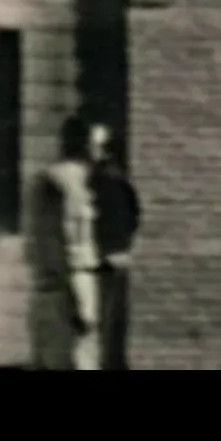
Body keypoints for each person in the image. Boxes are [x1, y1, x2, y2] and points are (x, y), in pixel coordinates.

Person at [41, 115, 101, 370]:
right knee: (82, 341)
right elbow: (68, 235)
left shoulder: (83, 179)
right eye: (96, 145)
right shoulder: (67, 180)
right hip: (75, 272)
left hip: (77, 271)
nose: (100, 153)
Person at [89, 124, 141, 371]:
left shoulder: (100, 179)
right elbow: (134, 215)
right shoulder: (119, 179)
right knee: (114, 325)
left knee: (105, 323)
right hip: (117, 256)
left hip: (104, 258)